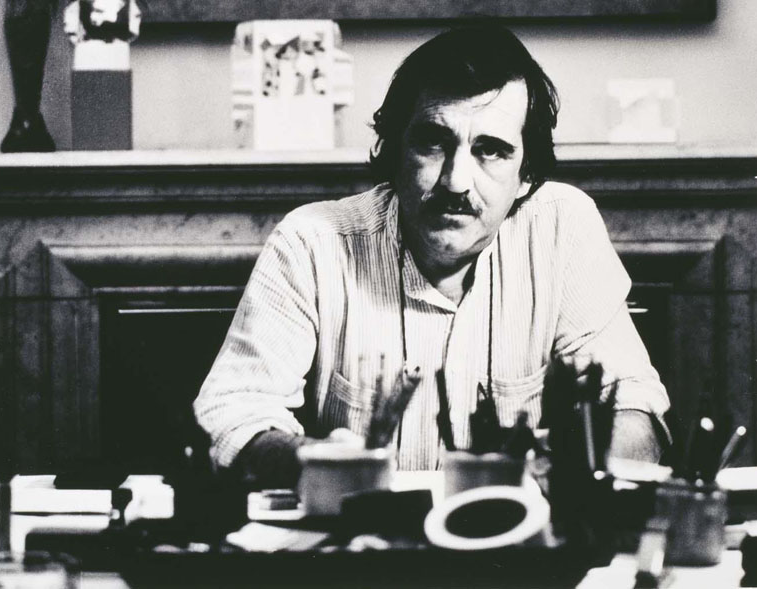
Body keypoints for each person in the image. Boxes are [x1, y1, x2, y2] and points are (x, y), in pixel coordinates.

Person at [194, 23, 670, 488]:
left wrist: (589, 467)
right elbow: (235, 415)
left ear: (526, 175)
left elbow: (634, 402)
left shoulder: (562, 227)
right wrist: (316, 461)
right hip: (361, 532)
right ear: (395, 153)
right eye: (433, 143)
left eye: (491, 151)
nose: (456, 181)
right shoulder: (311, 242)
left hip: (514, 533)